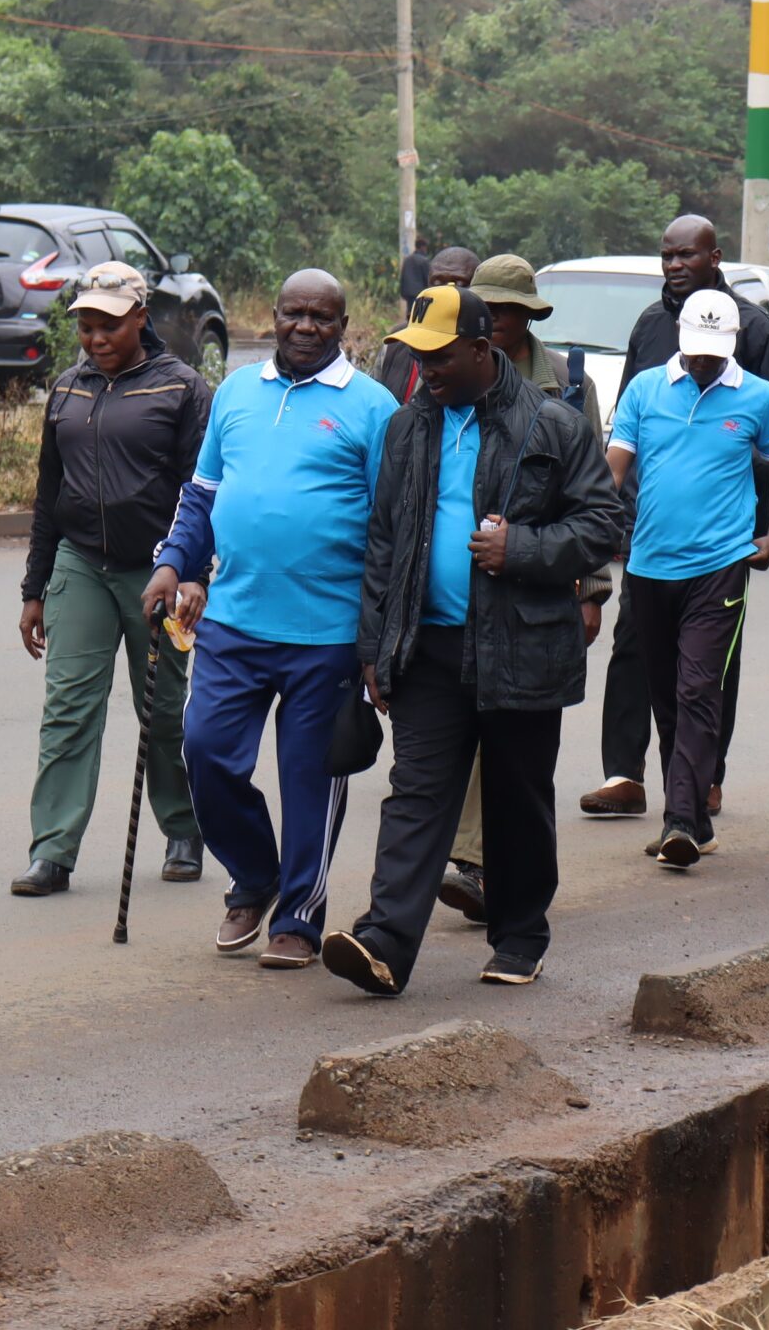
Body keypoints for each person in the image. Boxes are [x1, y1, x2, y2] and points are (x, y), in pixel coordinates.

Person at [322, 286, 621, 996]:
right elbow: (385, 541)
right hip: (428, 648)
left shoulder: (552, 424)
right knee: (416, 794)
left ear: (482, 351)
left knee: (518, 797)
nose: (425, 368)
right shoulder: (409, 427)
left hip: (521, 647)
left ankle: (520, 935)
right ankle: (384, 942)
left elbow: (602, 526)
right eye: (417, 354)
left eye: (441, 355)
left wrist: (521, 548)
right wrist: (373, 646)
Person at [143, 269, 399, 966]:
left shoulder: (371, 408)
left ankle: (299, 915)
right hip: (234, 621)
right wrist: (173, 563)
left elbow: (390, 529)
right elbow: (201, 496)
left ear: (344, 326)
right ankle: (254, 875)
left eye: (322, 317)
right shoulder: (235, 392)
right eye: (294, 314)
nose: (306, 327)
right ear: (274, 316)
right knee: (202, 749)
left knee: (311, 778)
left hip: (328, 634)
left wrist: (376, 637)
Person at [581, 214, 769, 821]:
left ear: (716, 259)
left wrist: (737, 471)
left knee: (706, 671)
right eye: (667, 256)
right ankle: (623, 773)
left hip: (721, 540)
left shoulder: (753, 329)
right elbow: (628, 428)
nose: (676, 266)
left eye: (688, 256)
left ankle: (702, 783)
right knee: (634, 647)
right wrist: (612, 509)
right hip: (647, 531)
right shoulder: (653, 325)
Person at [11, 263, 211, 897]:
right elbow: (49, 494)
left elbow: (200, 491)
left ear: (141, 319)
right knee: (68, 708)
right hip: (80, 565)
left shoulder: (181, 389)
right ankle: (52, 851)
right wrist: (35, 588)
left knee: (161, 709)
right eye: (86, 326)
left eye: (109, 325)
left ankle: (183, 831)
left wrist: (191, 573)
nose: (95, 338)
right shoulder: (68, 390)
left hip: (158, 571)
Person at [435, 254, 614, 923]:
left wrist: (590, 590)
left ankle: (489, 872)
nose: (498, 319)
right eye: (489, 308)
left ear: (527, 317)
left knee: (517, 749)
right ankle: (472, 863)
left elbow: (590, 493)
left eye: (508, 310)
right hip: (458, 594)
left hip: (534, 589)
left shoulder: (567, 385)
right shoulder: (447, 373)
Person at [605, 288, 769, 867]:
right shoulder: (645, 389)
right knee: (665, 695)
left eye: (714, 351)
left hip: (719, 568)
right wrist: (586, 534)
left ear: (731, 344)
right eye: (695, 350)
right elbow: (611, 471)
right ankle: (695, 817)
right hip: (647, 567)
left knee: (697, 690)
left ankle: (681, 822)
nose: (704, 361)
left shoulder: (757, 397)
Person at [375, 245, 478, 401]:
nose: (445, 291)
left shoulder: (487, 349)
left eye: (460, 284)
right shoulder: (397, 343)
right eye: (437, 283)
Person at [399, 233, 433, 307]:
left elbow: (402, 278)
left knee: (410, 315)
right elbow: (428, 278)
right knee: (419, 316)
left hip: (408, 294)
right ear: (422, 247)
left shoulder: (407, 260)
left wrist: (402, 292)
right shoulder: (424, 260)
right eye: (426, 248)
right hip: (420, 294)